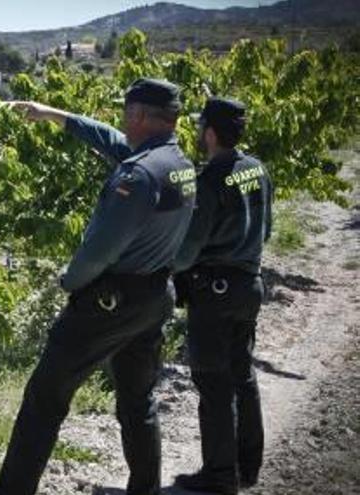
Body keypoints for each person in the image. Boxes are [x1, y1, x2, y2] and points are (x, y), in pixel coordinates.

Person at [0, 78, 197, 495]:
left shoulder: (137, 176)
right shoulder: (178, 165)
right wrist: (52, 114)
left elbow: (100, 251)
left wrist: (71, 281)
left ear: (138, 115)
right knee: (138, 403)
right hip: (155, 296)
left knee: (43, 401)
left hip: (110, 302)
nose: (123, 120)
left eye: (126, 113)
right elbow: (104, 136)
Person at [172, 97, 273, 495]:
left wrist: (167, 268)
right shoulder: (257, 170)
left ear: (211, 133)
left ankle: (219, 477)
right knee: (243, 376)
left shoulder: (211, 179)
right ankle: (248, 467)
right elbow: (266, 229)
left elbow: (189, 248)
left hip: (214, 291)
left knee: (214, 384)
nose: (198, 135)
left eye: (200, 128)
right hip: (249, 284)